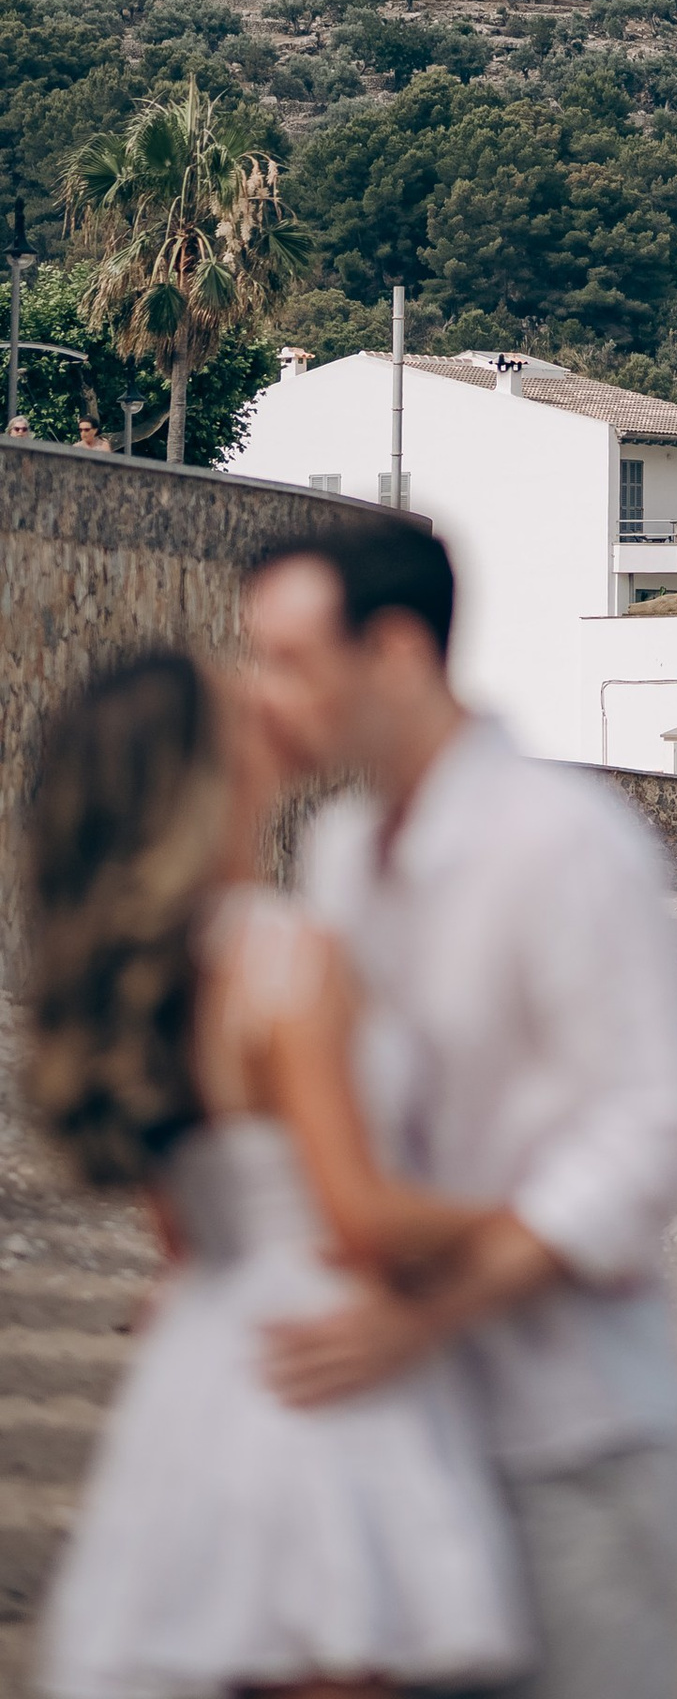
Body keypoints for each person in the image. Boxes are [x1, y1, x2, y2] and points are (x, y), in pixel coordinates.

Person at [240, 523, 677, 1699]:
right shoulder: (341, 855)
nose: (262, 694)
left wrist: (435, 1311)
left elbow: (652, 1132)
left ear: (393, 654)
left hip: (572, 1432)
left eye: (288, 659)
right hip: (399, 1435)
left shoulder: (566, 847)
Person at [24, 648, 532, 1699]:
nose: (264, 704)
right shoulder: (283, 958)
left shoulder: (146, 972)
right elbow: (357, 1215)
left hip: (200, 1369)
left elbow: (181, 1237)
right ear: (207, 773)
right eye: (236, 708)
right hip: (319, 1360)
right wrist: (524, 1217)